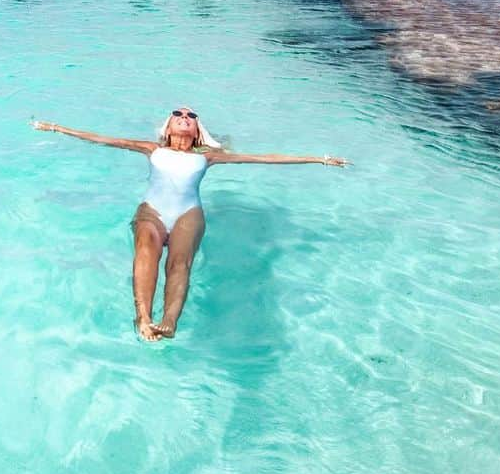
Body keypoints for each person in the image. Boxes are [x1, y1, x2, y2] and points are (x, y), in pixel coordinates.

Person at [32, 107, 346, 341]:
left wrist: (318, 159)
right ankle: (142, 318)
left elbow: (265, 158)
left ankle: (169, 320)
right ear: (167, 126)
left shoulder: (208, 155)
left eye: (191, 114)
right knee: (145, 251)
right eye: (178, 113)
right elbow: (102, 139)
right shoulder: (152, 148)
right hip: (152, 212)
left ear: (196, 129)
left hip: (187, 214)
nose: (184, 115)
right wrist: (56, 127)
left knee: (179, 264)